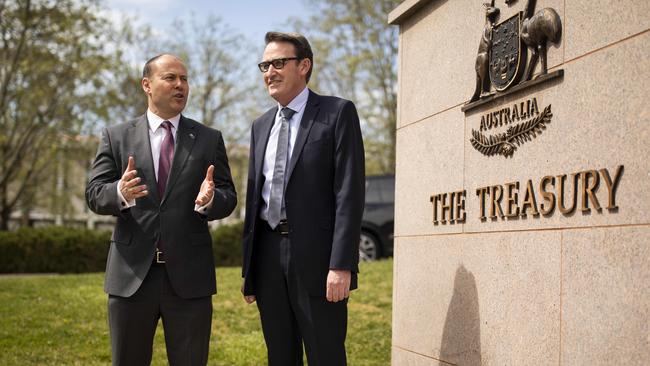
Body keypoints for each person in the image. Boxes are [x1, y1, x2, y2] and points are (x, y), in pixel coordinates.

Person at [85, 54, 237, 366]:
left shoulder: (209, 139)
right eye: (170, 78)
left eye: (184, 79)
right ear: (147, 85)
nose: (180, 85)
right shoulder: (116, 136)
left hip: (189, 279)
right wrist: (119, 192)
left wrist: (210, 200)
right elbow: (94, 193)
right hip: (131, 277)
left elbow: (228, 194)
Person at [241, 32, 365, 365]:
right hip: (267, 257)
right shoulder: (259, 125)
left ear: (304, 66)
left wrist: (341, 265)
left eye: (279, 63)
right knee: (280, 356)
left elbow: (349, 193)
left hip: (318, 260)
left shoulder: (337, 113)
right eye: (264, 65)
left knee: (326, 355)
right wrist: (250, 270)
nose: (270, 72)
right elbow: (255, 201)